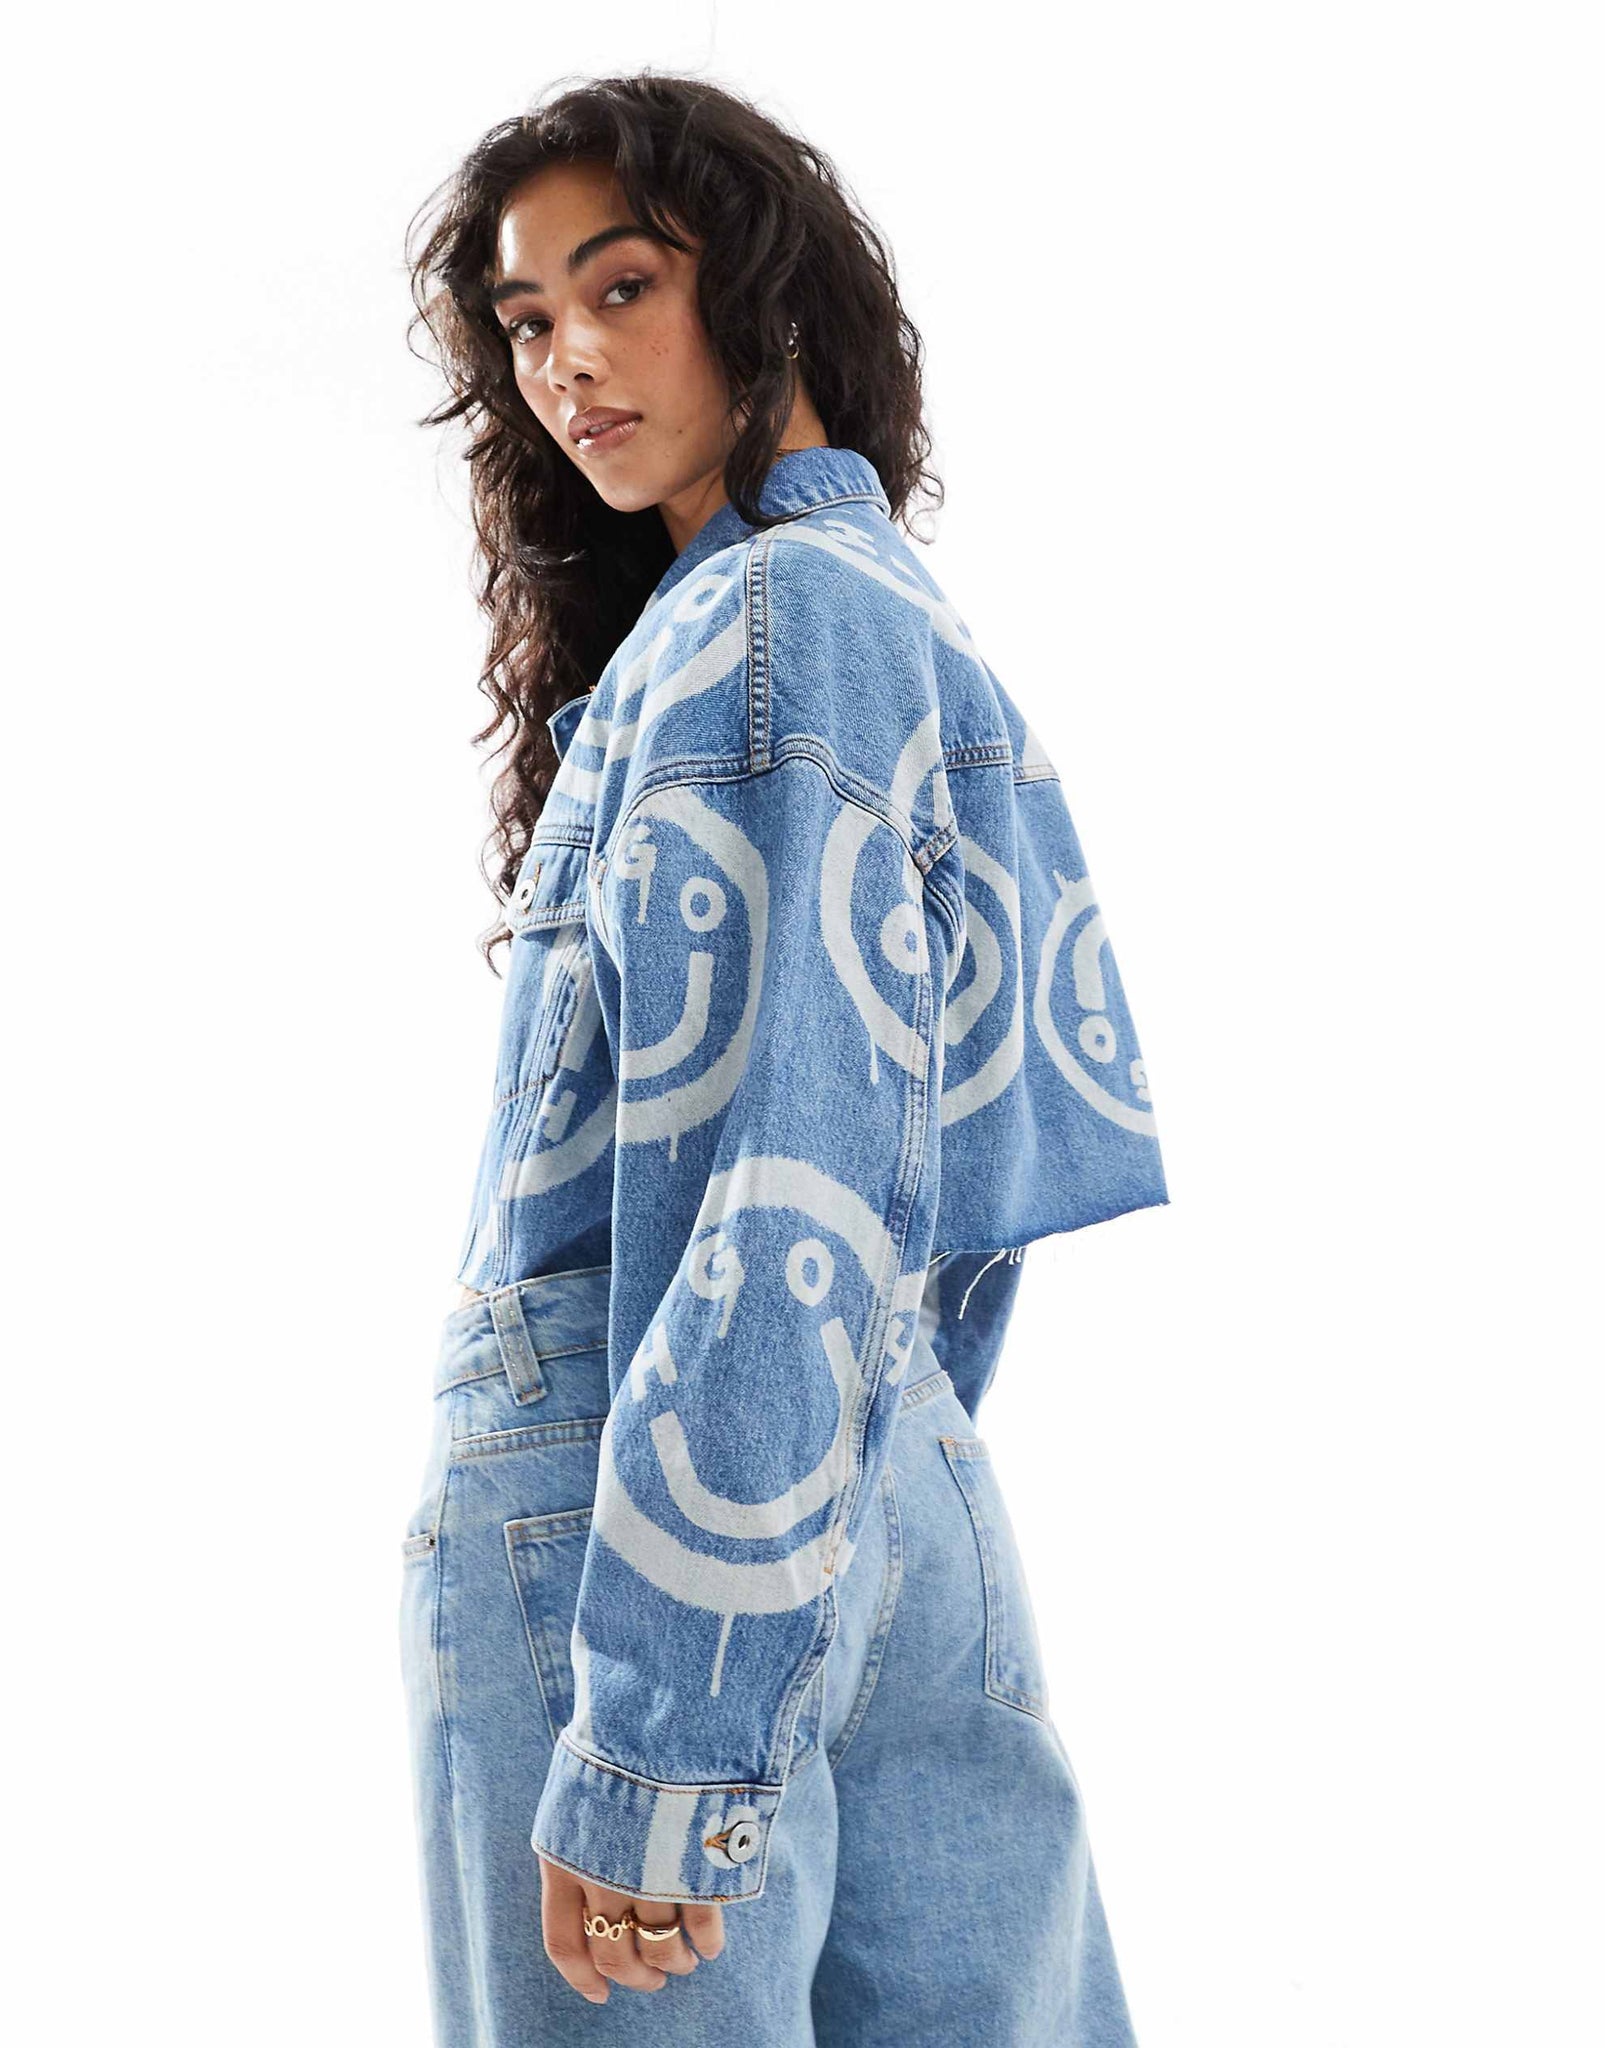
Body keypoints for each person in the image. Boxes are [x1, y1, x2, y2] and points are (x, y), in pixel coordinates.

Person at [398, 71, 1169, 2045]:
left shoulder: (759, 630)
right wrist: (864, 1461)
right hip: (869, 1475)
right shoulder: (874, 611)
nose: (565, 360)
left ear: (765, 292)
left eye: (620, 286)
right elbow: (937, 1183)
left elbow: (776, 1190)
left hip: (649, 1508)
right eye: (525, 322)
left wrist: (665, 1720)